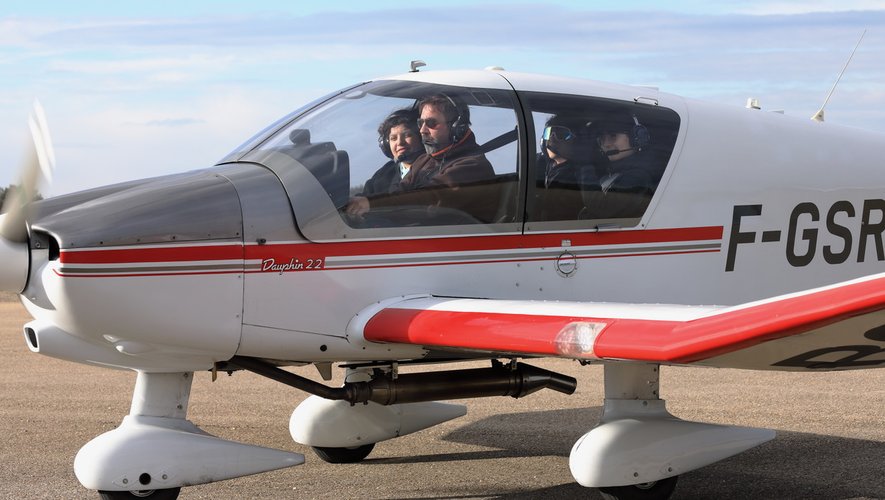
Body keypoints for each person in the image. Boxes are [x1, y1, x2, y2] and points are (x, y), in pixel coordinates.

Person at [347, 93, 496, 223]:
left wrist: (371, 205)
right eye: (421, 123)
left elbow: (428, 200)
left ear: (457, 127)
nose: (423, 130)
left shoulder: (472, 166)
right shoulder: (425, 161)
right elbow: (400, 192)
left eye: (431, 123)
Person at [583, 110, 660, 219]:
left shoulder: (640, 177)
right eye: (601, 139)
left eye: (612, 135)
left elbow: (603, 210)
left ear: (635, 138)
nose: (606, 144)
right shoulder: (610, 172)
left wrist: (584, 165)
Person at [533, 115, 596, 221]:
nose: (552, 139)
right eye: (548, 133)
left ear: (577, 142)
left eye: (560, 134)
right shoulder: (540, 164)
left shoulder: (578, 177)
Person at [358, 108, 424, 197]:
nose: (400, 142)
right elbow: (361, 200)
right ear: (386, 145)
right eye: (393, 138)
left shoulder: (433, 168)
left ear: (421, 137)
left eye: (407, 135)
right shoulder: (385, 174)